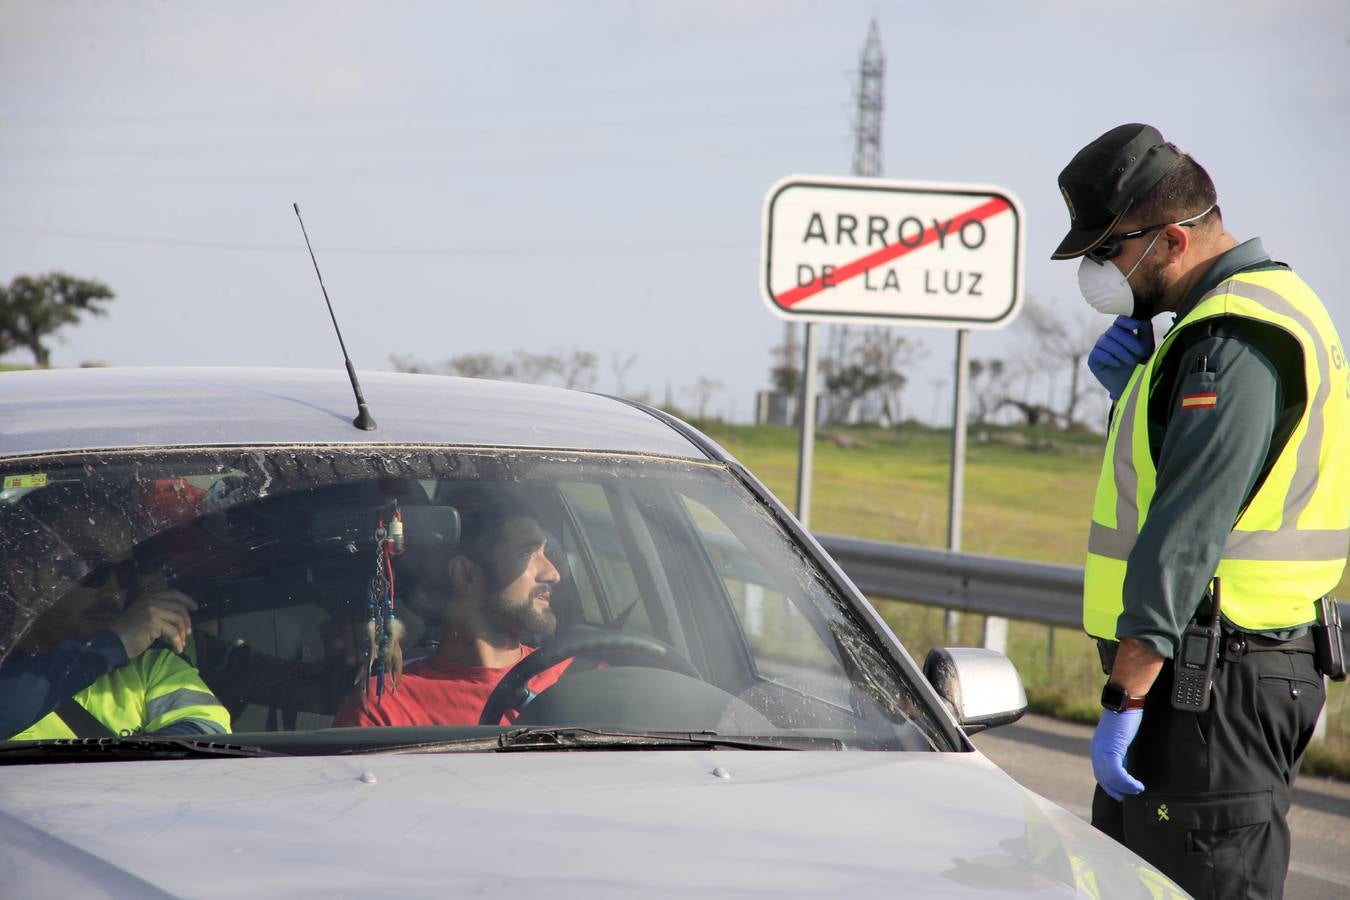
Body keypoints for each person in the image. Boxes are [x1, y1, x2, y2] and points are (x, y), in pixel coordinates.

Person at [1053, 123, 1350, 898]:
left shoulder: (1234, 336)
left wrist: (1126, 692)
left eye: (1107, 251)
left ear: (1172, 239)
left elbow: (1188, 525)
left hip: (1220, 681)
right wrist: (1137, 392)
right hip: (1206, 671)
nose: (1098, 272)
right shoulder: (1207, 331)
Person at [0, 484, 232, 741]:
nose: (114, 590)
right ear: (21, 576)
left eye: (125, 574)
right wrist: (111, 646)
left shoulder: (152, 668)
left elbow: (206, 735)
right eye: (90, 569)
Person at [333, 485, 569, 727]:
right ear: (466, 575)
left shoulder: (574, 677)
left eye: (545, 552)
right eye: (527, 553)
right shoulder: (385, 711)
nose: (553, 573)